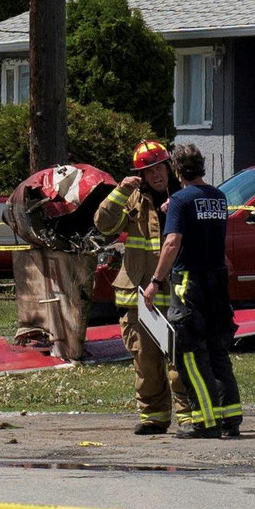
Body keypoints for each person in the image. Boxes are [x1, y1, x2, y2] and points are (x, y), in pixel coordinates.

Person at [143, 143, 242, 439]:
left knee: (189, 353)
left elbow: (172, 243)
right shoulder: (218, 197)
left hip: (190, 282)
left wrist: (155, 282)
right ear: (201, 167)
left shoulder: (181, 201)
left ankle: (204, 421)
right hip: (217, 281)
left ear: (176, 170)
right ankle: (230, 418)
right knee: (216, 351)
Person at [94, 140, 193, 437]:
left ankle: (189, 416)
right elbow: (103, 224)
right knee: (146, 360)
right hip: (140, 295)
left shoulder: (184, 195)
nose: (155, 175)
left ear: (169, 167)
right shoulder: (133, 198)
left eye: (159, 167)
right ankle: (154, 416)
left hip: (177, 292)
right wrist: (121, 190)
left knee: (180, 359)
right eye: (148, 171)